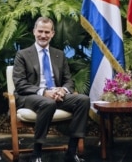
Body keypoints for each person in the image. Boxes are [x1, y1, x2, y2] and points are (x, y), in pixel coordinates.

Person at [13, 17, 90, 162]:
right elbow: (20, 84)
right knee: (48, 103)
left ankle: (72, 151)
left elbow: (69, 80)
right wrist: (44, 92)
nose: (43, 35)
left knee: (83, 100)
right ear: (34, 31)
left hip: (56, 96)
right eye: (40, 31)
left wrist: (63, 91)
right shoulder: (22, 55)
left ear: (52, 33)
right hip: (31, 96)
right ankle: (37, 152)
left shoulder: (59, 54)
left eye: (47, 32)